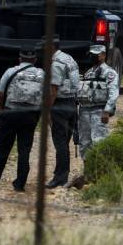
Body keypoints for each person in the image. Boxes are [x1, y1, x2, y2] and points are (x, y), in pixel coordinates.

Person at [0, 46, 44, 191]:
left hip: (10, 113)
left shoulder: (11, 72)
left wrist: (2, 107)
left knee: (2, 149)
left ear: (19, 58)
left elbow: (0, 94)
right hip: (30, 115)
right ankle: (20, 184)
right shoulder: (42, 74)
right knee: (24, 150)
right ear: (35, 60)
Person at [45, 37, 81, 188]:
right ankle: (62, 174)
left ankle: (60, 178)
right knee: (64, 143)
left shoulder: (56, 63)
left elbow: (53, 90)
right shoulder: (69, 58)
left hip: (60, 105)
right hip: (72, 103)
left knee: (60, 142)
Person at [77, 44, 120, 158]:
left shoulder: (109, 73)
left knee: (99, 142)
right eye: (91, 55)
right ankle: (87, 172)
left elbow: (113, 93)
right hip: (84, 111)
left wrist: (107, 111)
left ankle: (99, 171)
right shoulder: (88, 73)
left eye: (96, 55)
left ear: (103, 55)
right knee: (84, 142)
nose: (93, 57)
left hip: (99, 111)